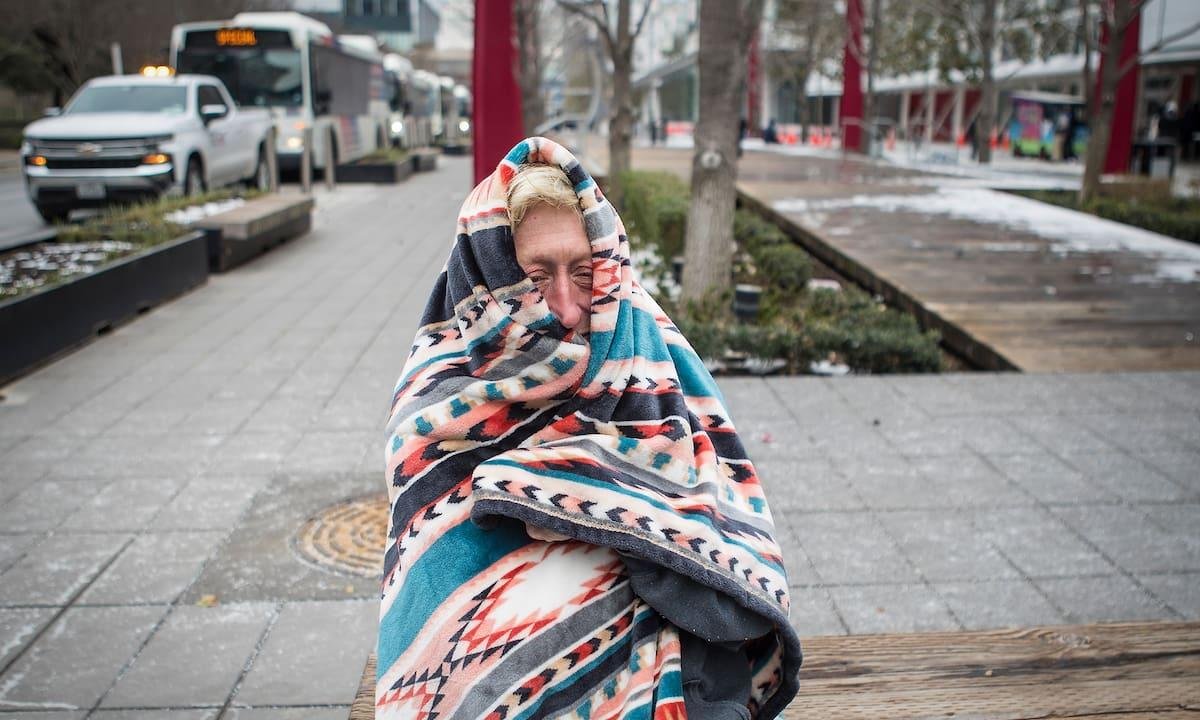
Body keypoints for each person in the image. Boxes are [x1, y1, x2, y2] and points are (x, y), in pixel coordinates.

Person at [378, 137, 801, 720]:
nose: (569, 306)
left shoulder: (637, 336)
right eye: (535, 276)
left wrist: (553, 486)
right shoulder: (439, 384)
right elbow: (437, 550)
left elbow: (708, 483)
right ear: (492, 274)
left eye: (583, 271)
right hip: (498, 644)